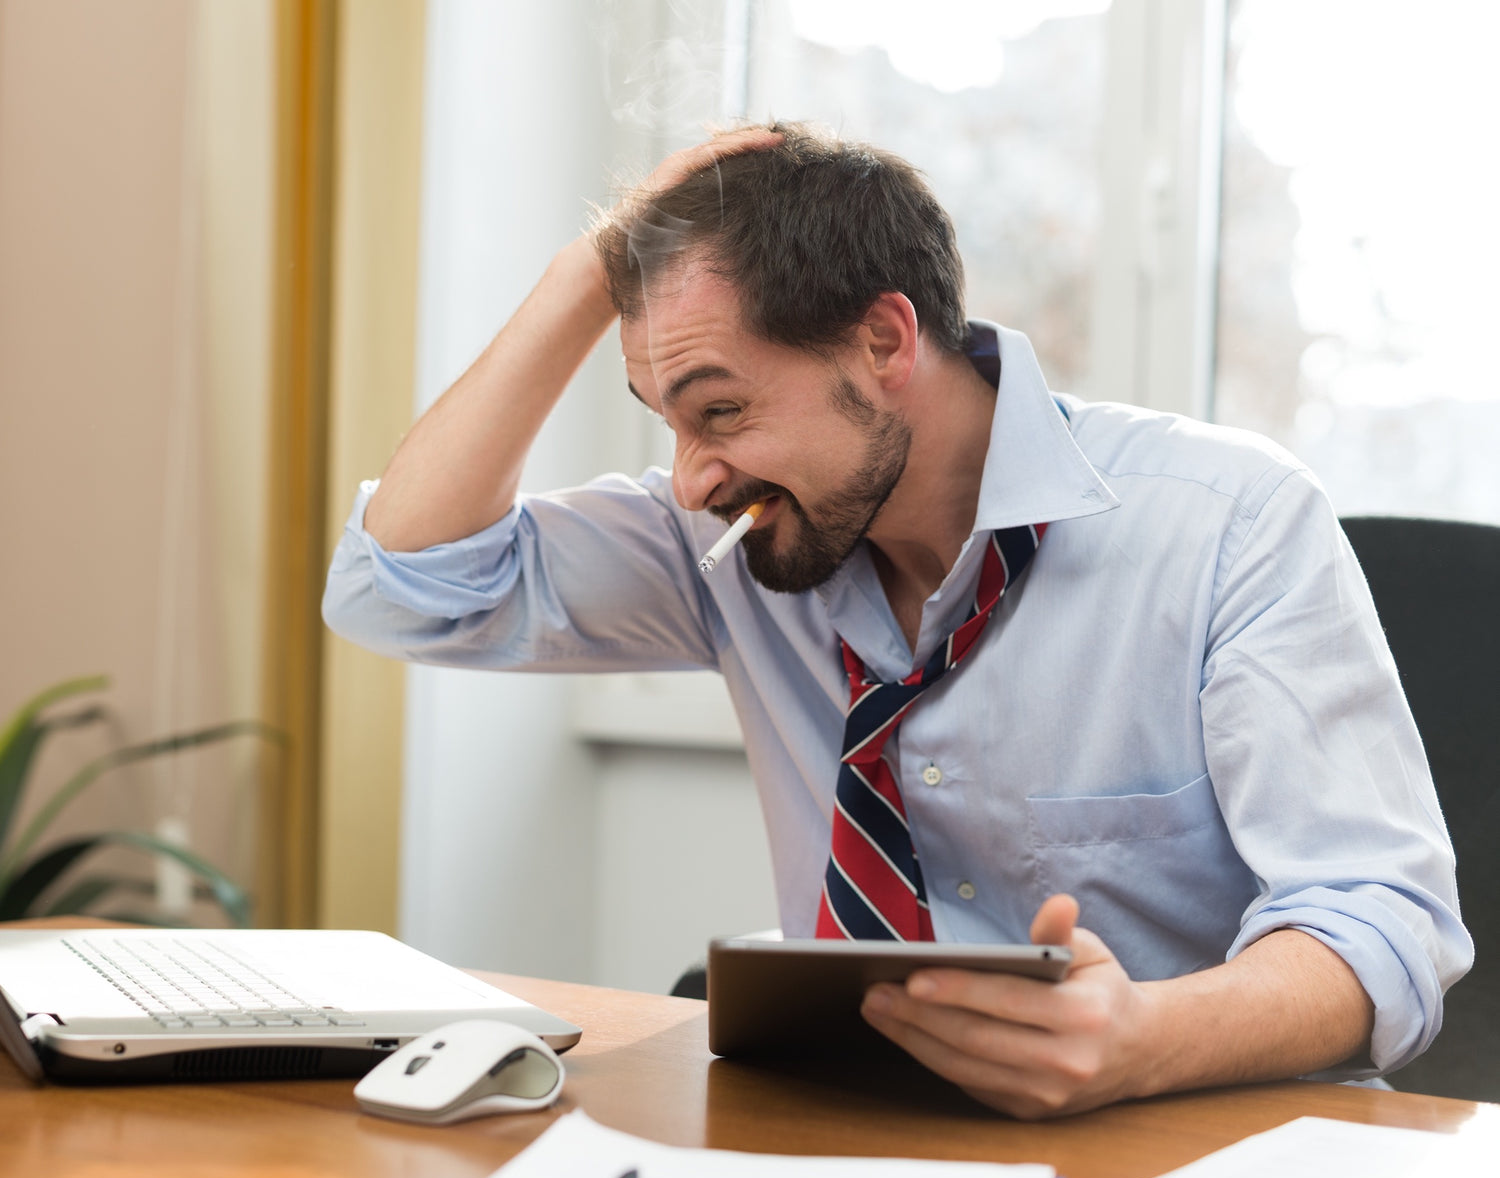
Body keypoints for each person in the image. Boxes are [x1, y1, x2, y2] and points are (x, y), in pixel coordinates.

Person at [323, 123, 1470, 1119]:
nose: (688, 479)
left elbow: (1381, 917)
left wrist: (1140, 1041)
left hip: (1192, 1145)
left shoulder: (1227, 522)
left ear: (883, 343)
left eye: (720, 408)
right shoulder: (734, 540)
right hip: (855, 1133)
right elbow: (405, 586)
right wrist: (595, 264)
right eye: (667, 421)